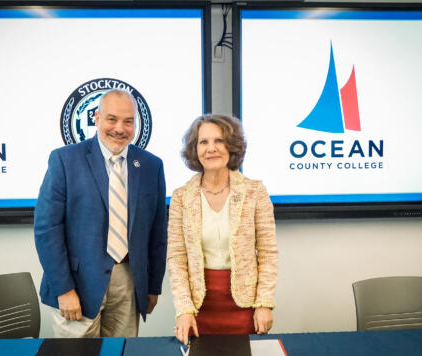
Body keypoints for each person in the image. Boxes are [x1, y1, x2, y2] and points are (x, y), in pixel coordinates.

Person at [34, 89, 167, 337]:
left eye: (128, 121)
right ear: (96, 117)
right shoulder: (65, 160)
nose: (120, 128)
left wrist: (153, 286)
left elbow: (158, 233)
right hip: (77, 285)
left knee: (121, 352)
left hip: (129, 282)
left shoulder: (151, 165)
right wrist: (64, 289)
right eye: (112, 119)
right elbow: (47, 229)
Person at [167, 114, 278, 345]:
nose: (211, 149)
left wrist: (264, 303)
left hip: (245, 308)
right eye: (203, 142)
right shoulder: (181, 198)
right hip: (198, 311)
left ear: (232, 146)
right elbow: (177, 259)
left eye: (219, 141)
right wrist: (184, 309)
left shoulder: (255, 192)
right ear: (194, 149)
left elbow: (268, 253)